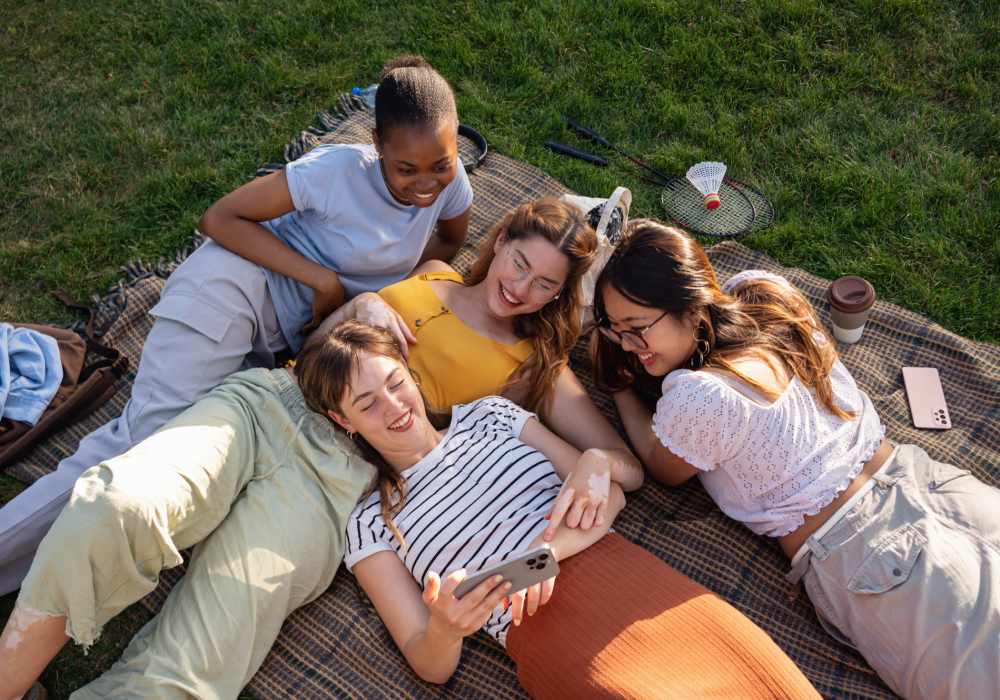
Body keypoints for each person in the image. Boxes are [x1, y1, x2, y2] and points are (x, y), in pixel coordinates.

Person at [0, 54, 473, 595]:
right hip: (231, 290)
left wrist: (374, 291)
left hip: (277, 344)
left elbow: (448, 241)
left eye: (440, 163)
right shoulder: (335, 171)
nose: (425, 183)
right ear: (377, 145)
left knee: (203, 461)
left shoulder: (450, 183)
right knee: (138, 444)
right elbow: (220, 218)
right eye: (405, 168)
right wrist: (323, 283)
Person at [298, 322, 819, 698]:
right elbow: (428, 662)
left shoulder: (489, 417)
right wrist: (446, 628)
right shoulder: (370, 523)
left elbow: (613, 492)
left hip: (638, 588)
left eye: (395, 383)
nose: (393, 407)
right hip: (555, 639)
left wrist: (592, 464)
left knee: (771, 684)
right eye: (366, 404)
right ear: (340, 419)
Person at [592, 220, 1000, 700]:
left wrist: (617, 387)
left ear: (690, 301)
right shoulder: (765, 292)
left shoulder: (699, 397)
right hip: (926, 478)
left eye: (637, 330)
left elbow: (663, 467)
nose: (627, 347)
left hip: (870, 552)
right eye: (614, 332)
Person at [314, 196, 640, 472]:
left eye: (544, 283)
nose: (520, 288)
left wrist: (589, 469)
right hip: (284, 391)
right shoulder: (435, 273)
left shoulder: (535, 365)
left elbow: (626, 466)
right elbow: (312, 349)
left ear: (557, 294)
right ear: (501, 241)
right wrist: (361, 304)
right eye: (520, 264)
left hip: (336, 459)